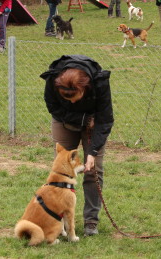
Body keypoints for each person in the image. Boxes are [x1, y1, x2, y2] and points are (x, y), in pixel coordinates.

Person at [40, 55, 114, 237]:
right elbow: (53, 107)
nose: (72, 102)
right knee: (61, 171)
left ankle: (91, 221)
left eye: (74, 97)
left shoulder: (100, 83)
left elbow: (105, 120)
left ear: (84, 88)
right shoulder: (53, 80)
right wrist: (82, 119)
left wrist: (92, 152)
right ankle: (59, 221)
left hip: (94, 124)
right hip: (64, 121)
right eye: (67, 98)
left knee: (93, 170)